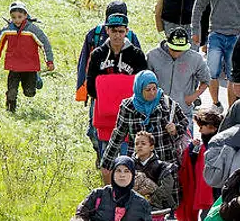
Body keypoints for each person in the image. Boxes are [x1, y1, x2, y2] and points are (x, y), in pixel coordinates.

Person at [85, 12, 150, 162]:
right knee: (105, 154)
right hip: (103, 113)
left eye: (121, 31)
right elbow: (90, 84)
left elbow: (143, 83)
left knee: (127, 155)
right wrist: (106, 97)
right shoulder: (97, 54)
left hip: (129, 113)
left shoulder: (136, 55)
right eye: (113, 30)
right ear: (107, 30)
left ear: (127, 31)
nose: (117, 35)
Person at [103, 71, 190, 172]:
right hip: (138, 165)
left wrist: (176, 129)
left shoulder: (166, 103)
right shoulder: (128, 107)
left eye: (154, 89)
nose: (152, 93)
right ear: (139, 89)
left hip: (165, 163)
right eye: (148, 90)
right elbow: (118, 135)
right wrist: (107, 163)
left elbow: (184, 122)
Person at [0, 1, 55, 113]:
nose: (16, 20)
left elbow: (44, 43)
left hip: (30, 66)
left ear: (26, 15)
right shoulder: (7, 29)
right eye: (13, 17)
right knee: (12, 90)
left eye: (19, 17)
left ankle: (36, 78)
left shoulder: (32, 30)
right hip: (14, 65)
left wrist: (49, 61)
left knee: (29, 92)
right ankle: (10, 109)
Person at [147, 28, 210, 121]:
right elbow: (144, 81)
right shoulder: (152, 56)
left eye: (180, 50)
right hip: (156, 111)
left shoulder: (196, 58)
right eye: (173, 49)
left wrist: (192, 97)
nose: (176, 53)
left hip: (183, 111)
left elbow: (206, 80)